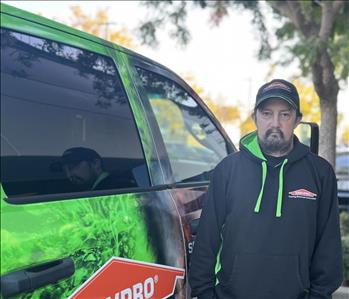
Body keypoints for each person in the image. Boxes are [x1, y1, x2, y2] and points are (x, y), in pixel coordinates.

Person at [189, 79, 343, 299]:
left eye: (285, 115)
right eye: (267, 113)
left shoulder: (320, 173)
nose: (275, 123)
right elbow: (207, 239)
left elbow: (328, 247)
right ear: (255, 118)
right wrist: (205, 293)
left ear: (297, 120)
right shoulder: (228, 170)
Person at [55, 147, 135, 191]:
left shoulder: (118, 188)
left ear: (95, 164)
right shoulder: (93, 188)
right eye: (65, 171)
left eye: (72, 167)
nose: (69, 175)